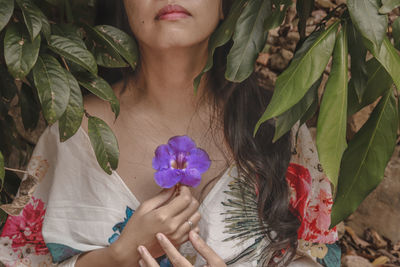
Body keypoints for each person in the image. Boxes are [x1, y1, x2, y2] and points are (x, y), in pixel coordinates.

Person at [0, 0, 339, 266]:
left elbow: (320, 256)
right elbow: (18, 259)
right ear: (123, 6)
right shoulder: (74, 133)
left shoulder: (276, 128)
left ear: (224, 6)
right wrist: (118, 257)